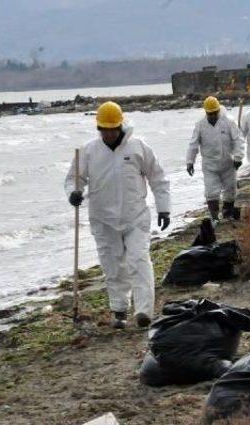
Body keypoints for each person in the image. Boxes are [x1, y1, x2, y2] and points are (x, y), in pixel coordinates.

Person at [65, 101, 171, 329]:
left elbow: (158, 178)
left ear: (120, 125)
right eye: (105, 129)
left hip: (135, 216)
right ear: (99, 128)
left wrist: (164, 208)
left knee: (139, 260)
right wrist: (73, 193)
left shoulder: (138, 147)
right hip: (103, 220)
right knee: (112, 265)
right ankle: (120, 310)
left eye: (113, 128)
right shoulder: (88, 151)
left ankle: (143, 312)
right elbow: (74, 179)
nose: (109, 133)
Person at [186, 96, 245, 221]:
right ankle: (214, 218)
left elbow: (238, 140)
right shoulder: (200, 125)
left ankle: (227, 214)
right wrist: (190, 161)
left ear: (218, 110)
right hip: (209, 166)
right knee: (211, 192)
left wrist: (238, 157)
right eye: (210, 114)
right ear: (206, 112)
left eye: (214, 113)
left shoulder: (229, 122)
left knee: (230, 190)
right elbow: (193, 144)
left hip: (228, 164)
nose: (212, 116)